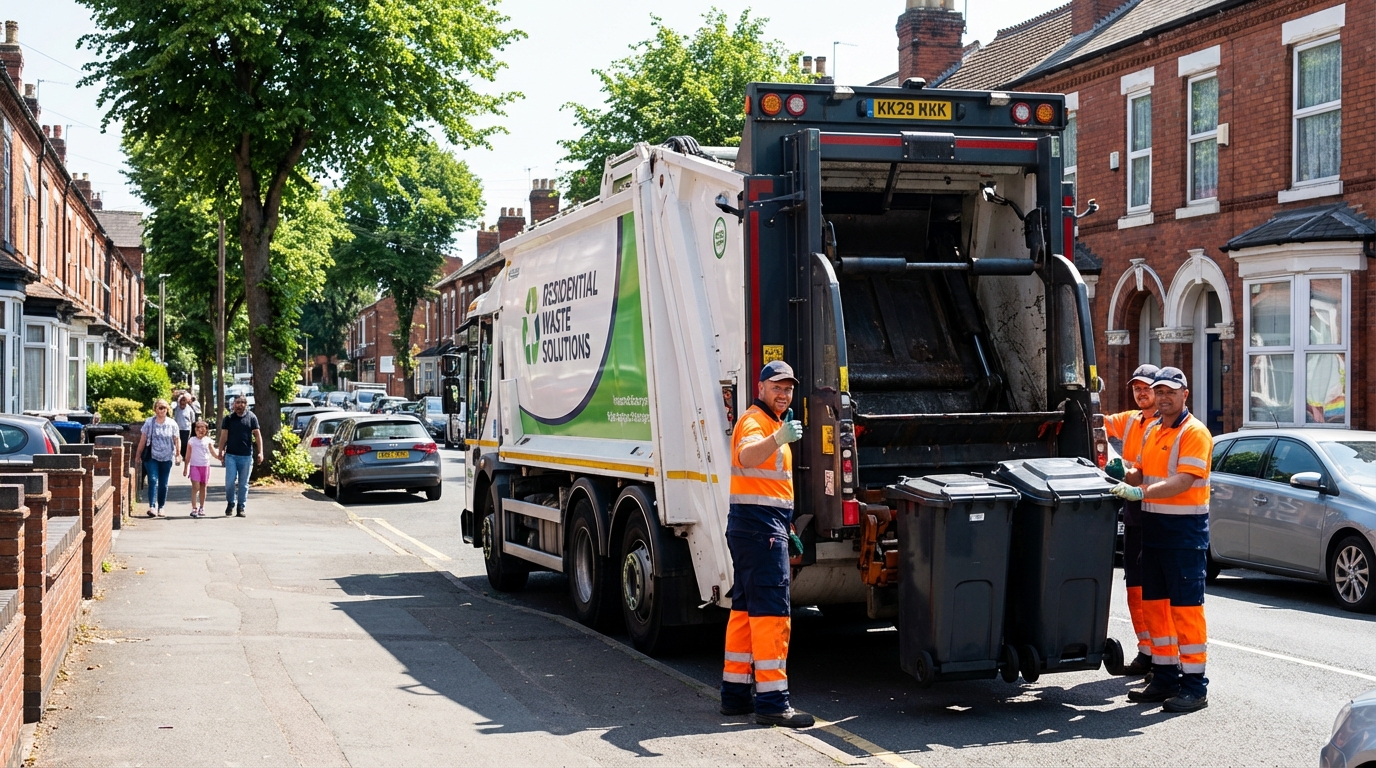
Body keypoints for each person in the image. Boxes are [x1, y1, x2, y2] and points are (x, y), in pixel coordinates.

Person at [1110, 367, 1213, 713]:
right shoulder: (1153, 429)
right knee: (1155, 607)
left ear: (1185, 394)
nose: (1164, 397)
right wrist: (1122, 473)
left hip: (1184, 533)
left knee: (1185, 610)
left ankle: (1194, 686)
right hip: (1154, 531)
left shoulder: (1194, 432)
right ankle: (1165, 677)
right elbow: (1140, 471)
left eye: (1171, 392)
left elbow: (1184, 480)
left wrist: (1140, 491)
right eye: (1160, 392)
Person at [720, 360, 813, 729]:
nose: (783, 394)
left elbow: (765, 485)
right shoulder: (755, 422)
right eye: (777, 387)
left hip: (759, 527)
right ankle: (773, 702)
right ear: (760, 388)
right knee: (772, 613)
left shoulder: (773, 423)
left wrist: (785, 525)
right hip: (759, 530)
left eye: (788, 389)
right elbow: (745, 457)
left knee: (745, 613)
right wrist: (778, 439)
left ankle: (735, 695)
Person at [1101, 363, 1159, 677]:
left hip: (1159, 513)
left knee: (1156, 590)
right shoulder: (1132, 420)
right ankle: (1146, 651)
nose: (1141, 393)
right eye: (1137, 388)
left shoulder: (1167, 426)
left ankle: (1165, 658)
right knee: (1135, 588)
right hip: (1136, 513)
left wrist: (1126, 474)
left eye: (1146, 388)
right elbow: (1098, 423)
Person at [134, 398, 181, 518]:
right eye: (160, 407)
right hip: (152, 456)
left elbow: (176, 439)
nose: (162, 410)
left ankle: (161, 507)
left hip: (167, 457)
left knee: (163, 483)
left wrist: (178, 454)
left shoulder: (172, 423)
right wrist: (138, 455)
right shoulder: (149, 422)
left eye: (164, 408)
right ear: (155, 409)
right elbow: (143, 439)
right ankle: (152, 507)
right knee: (153, 480)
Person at [217, 395, 263, 518]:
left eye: (243, 402)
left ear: (246, 405)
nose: (240, 405)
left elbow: (258, 435)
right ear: (233, 404)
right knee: (229, 482)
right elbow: (223, 436)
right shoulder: (228, 419)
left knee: (243, 484)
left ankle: (241, 506)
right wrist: (220, 451)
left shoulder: (251, 417)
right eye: (237, 402)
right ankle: (231, 503)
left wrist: (260, 452)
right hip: (231, 455)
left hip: (246, 456)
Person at [182, 419, 220, 517]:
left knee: (203, 486)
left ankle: (201, 507)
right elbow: (187, 455)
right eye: (198, 428)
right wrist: (185, 468)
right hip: (195, 466)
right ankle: (194, 508)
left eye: (203, 428)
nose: (200, 430)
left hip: (205, 466)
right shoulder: (192, 441)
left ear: (206, 430)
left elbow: (213, 452)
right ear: (195, 430)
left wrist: (219, 457)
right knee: (196, 487)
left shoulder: (208, 441)